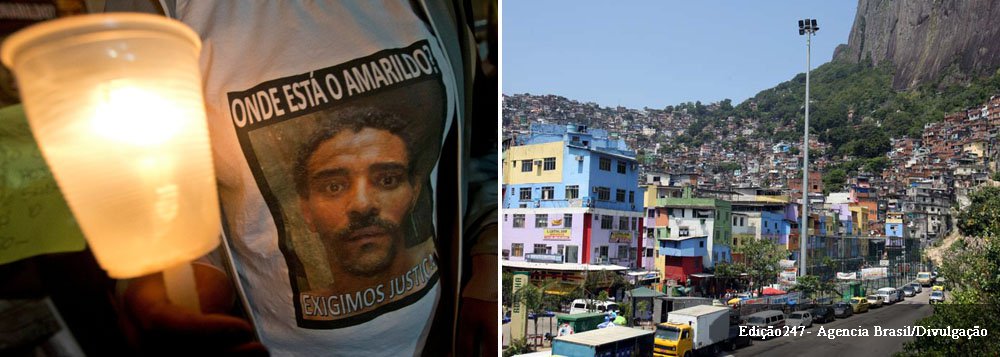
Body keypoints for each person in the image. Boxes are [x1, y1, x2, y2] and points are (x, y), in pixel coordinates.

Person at [108, 0, 498, 356]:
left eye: (388, 178)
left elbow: (478, 149)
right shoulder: (158, 11)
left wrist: (494, 262)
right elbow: (164, 196)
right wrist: (173, 292)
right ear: (304, 211)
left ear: (413, 192)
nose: (362, 205)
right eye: (333, 184)